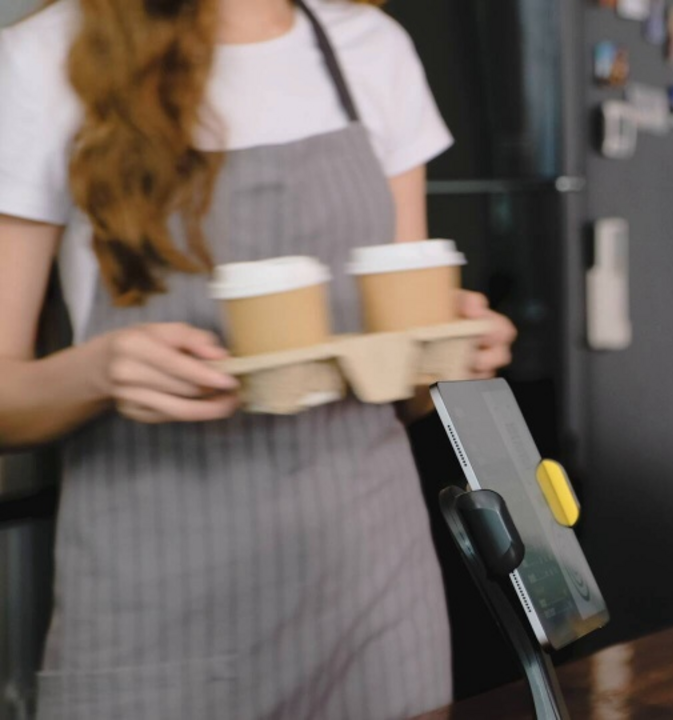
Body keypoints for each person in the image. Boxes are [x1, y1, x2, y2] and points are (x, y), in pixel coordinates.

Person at [0, 0, 517, 717]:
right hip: (157, 608)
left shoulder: (370, 50)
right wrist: (98, 371)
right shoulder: (42, 59)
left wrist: (449, 357)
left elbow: (406, 383)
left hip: (371, 591)